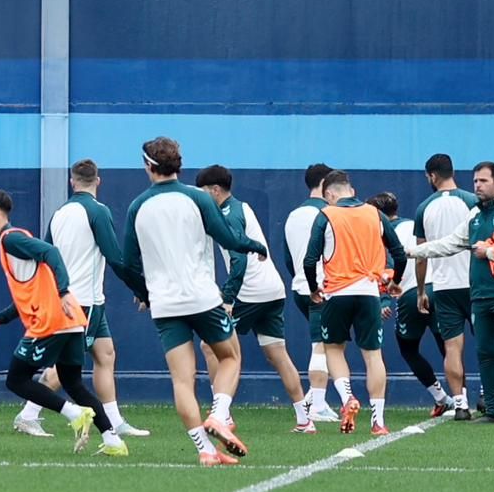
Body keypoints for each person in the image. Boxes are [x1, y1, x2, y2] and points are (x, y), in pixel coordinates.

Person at [116, 137, 268, 466]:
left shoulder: (137, 207)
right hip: (202, 298)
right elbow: (228, 238)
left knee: (182, 379)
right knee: (230, 358)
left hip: (166, 305)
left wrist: (145, 294)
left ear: (147, 166)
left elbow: (128, 264)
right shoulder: (198, 198)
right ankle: (219, 414)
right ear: (179, 164)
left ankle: (205, 449)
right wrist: (255, 244)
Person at [0, 190, 126, 457]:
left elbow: (51, 251)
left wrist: (66, 290)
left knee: (16, 380)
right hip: (71, 320)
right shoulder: (16, 241)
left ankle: (75, 414)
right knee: (73, 383)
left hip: (51, 322)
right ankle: (113, 441)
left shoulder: (11, 240)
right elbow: (33, 291)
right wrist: (0, 318)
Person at [14, 159, 148, 440]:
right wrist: (142, 289)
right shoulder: (98, 211)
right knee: (63, 370)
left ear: (71, 182)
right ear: (98, 181)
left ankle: (113, 419)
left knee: (105, 353)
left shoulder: (59, 213)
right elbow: (115, 257)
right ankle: (27, 415)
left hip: (87, 300)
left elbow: (44, 257)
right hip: (80, 302)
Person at [405, 161, 494, 425]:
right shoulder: (474, 214)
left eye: (483, 181)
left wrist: (488, 252)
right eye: (475, 181)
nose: (477, 185)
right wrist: (416, 251)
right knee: (485, 352)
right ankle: (491, 410)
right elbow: (451, 243)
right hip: (480, 295)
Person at [194, 165, 313, 433]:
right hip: (273, 290)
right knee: (277, 354)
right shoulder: (242, 207)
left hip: (250, 293)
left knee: (209, 347)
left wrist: (228, 298)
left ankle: (221, 413)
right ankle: (305, 419)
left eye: (203, 193)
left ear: (215, 190)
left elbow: (239, 260)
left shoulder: (227, 214)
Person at [303, 171, 408, 436]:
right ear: (352, 190)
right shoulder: (375, 214)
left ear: (329, 195)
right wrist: (395, 281)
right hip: (369, 292)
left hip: (337, 293)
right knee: (373, 356)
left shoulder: (326, 215)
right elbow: (397, 252)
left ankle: (347, 397)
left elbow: (309, 259)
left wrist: (314, 288)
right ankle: (379, 422)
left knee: (334, 349)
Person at [367, 191, 454, 418]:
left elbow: (385, 266)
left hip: (410, 292)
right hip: (438, 287)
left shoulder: (380, 233)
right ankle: (461, 399)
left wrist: (384, 299)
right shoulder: (416, 225)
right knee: (448, 345)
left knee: (408, 348)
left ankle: (441, 398)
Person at [410, 153, 479, 419]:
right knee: (487, 341)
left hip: (443, 287)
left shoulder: (423, 207)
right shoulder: (472, 202)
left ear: (432, 176)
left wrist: (420, 292)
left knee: (452, 347)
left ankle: (460, 404)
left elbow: (420, 255)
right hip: (474, 285)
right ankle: (487, 393)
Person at [283, 163, 340, 422]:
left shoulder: (293, 215)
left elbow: (287, 257)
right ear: (326, 183)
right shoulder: (331, 213)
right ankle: (316, 404)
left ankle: (312, 399)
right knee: (323, 344)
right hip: (323, 287)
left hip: (300, 287)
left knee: (329, 343)